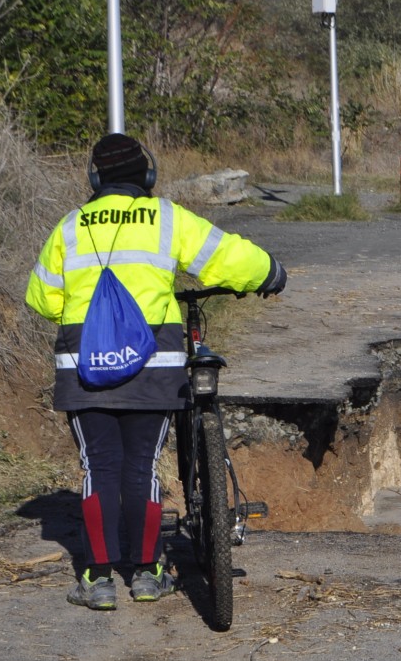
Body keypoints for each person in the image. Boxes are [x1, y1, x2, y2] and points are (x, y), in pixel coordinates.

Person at [25, 133, 287, 610]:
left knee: (98, 466)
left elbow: (42, 299)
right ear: (146, 175)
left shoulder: (70, 227)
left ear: (94, 178)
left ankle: (98, 579)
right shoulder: (165, 217)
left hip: (85, 369)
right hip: (153, 365)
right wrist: (269, 271)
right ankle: (148, 574)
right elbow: (225, 256)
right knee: (142, 465)